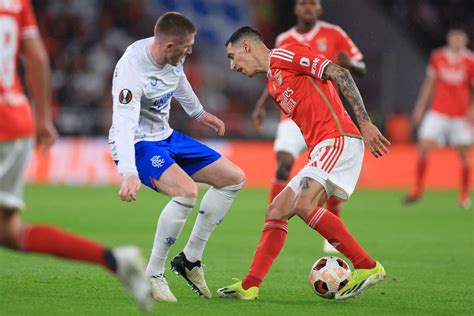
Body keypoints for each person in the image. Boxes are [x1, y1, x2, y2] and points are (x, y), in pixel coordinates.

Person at [0, 0, 153, 311]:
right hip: (16, 121)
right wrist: (42, 118)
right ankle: (115, 260)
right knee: (9, 231)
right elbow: (38, 58)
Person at [218, 26, 389, 300]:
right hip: (320, 149)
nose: (232, 65)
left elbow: (340, 73)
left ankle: (368, 266)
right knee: (276, 209)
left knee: (303, 204)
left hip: (338, 139)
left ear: (247, 46)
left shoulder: (286, 55)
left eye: (232, 55)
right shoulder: (272, 83)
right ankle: (250, 285)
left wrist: (365, 122)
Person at [109, 12, 245, 302]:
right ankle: (153, 273)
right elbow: (123, 123)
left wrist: (198, 112)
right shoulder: (132, 72)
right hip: (138, 143)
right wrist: (129, 171)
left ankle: (190, 260)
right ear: (169, 46)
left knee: (233, 179)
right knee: (186, 192)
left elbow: (178, 79)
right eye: (186, 47)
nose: (190, 51)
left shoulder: (173, 56)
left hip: (166, 136)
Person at [251, 0, 366, 252]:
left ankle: (331, 227)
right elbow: (273, 74)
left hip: (324, 113)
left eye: (312, 4)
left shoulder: (334, 33)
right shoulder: (284, 39)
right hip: (292, 116)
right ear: (295, 9)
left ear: (319, 9)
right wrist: (262, 104)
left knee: (327, 177)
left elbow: (359, 66)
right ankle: (274, 219)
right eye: (302, 4)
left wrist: (350, 64)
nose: (307, 8)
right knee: (283, 163)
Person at [405, 27, 474, 208]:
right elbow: (429, 83)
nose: (457, 40)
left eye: (460, 37)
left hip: (460, 115)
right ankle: (418, 190)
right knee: (424, 145)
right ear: (448, 38)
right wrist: (420, 107)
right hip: (438, 112)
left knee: (464, 153)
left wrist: (472, 109)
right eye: (454, 36)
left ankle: (464, 195)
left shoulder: (470, 61)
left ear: (465, 40)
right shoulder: (437, 57)